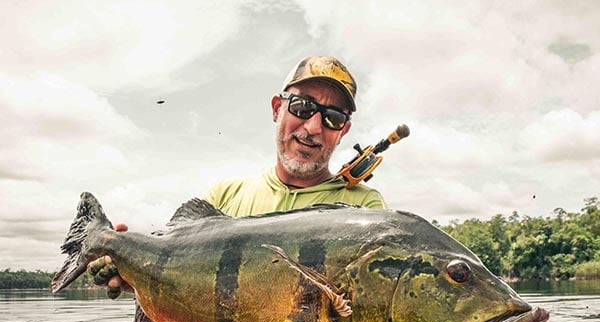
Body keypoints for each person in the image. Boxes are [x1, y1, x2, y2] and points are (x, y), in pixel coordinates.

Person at [88, 55, 386, 296]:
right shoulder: (223, 198)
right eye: (303, 107)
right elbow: (174, 272)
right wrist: (133, 272)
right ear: (276, 109)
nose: (313, 128)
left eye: (333, 117)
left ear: (343, 131)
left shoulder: (367, 213)